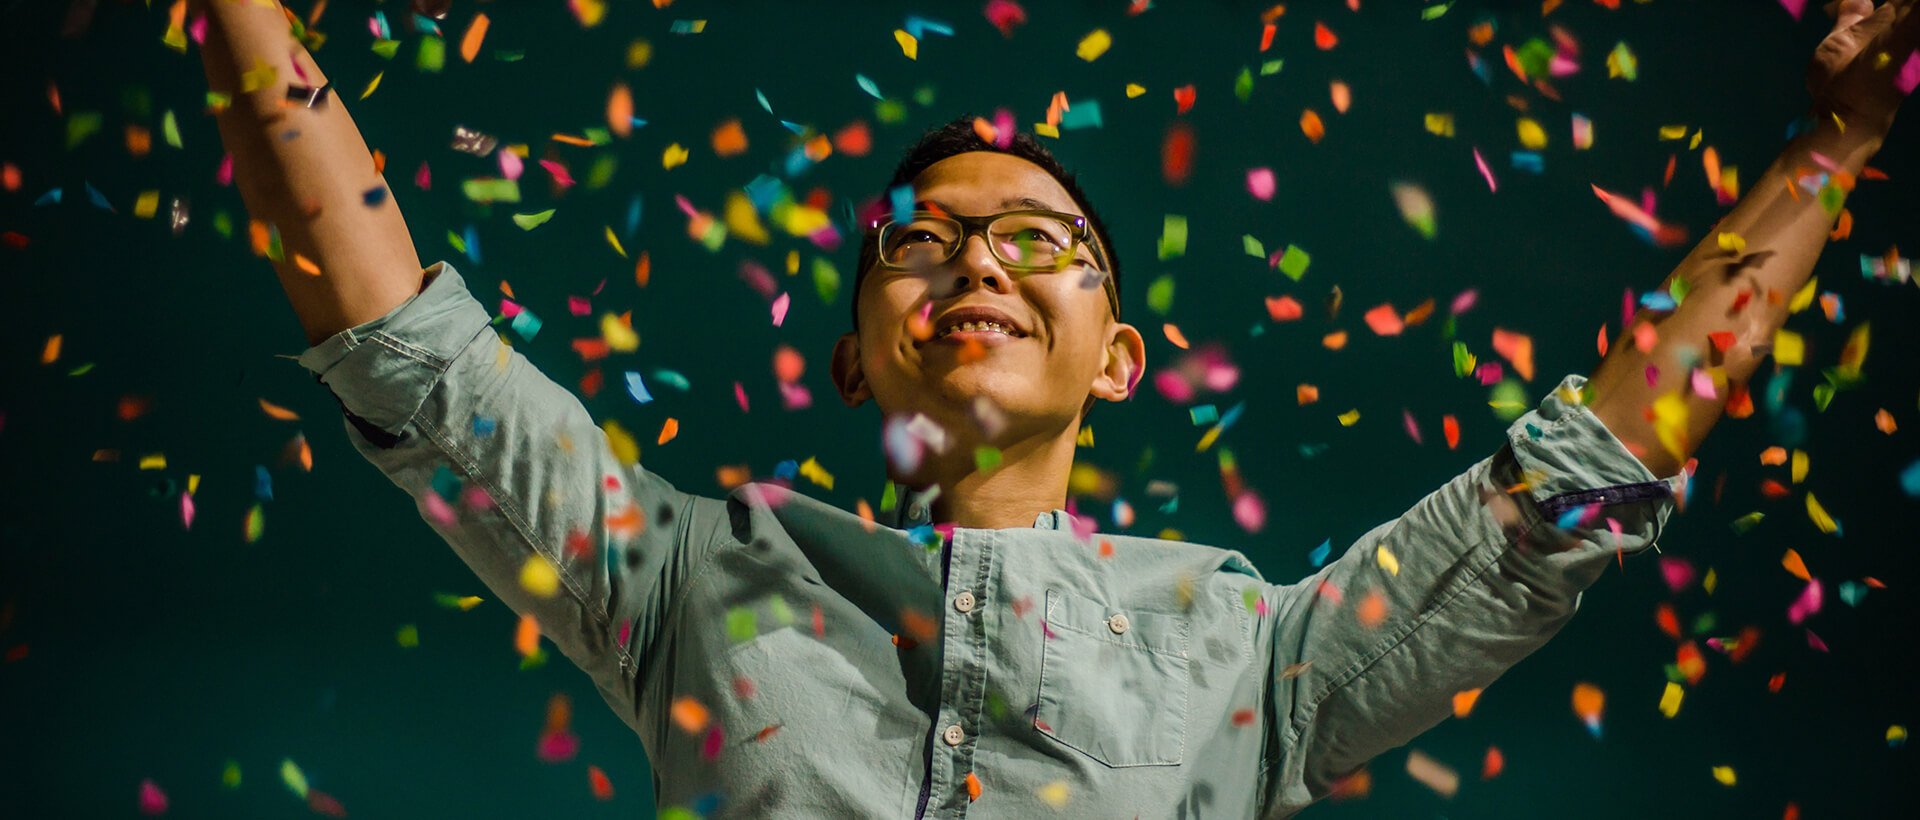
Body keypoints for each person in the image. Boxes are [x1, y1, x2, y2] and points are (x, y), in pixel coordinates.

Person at [193, 0, 1914, 816]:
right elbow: (404, 339)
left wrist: (1837, 144)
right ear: (860, 347)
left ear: (1119, 354)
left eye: (1040, 241)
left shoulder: (1263, 663)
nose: (977, 263)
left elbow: (1577, 482)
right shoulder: (690, 584)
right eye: (921, 241)